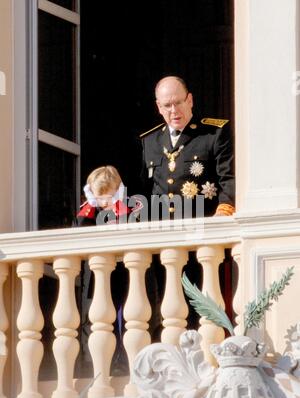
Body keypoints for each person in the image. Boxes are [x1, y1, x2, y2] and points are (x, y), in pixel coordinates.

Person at [76, 166, 144, 376]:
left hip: (125, 273)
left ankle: (123, 359)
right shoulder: (89, 209)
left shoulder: (130, 206)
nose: (104, 202)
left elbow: (136, 226)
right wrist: (91, 205)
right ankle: (103, 360)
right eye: (100, 197)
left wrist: (118, 206)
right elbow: (79, 228)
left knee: (126, 318)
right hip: (101, 275)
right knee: (102, 317)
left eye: (108, 196)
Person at [140, 76, 235, 218]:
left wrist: (223, 212)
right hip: (162, 229)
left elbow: (228, 178)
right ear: (159, 107)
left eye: (178, 102)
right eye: (167, 105)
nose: (174, 110)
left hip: (203, 224)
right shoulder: (150, 140)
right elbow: (143, 188)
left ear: (189, 100)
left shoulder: (214, 134)